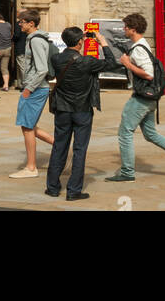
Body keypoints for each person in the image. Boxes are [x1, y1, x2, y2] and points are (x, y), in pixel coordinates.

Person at [106, 12, 165, 184]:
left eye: (126, 27)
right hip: (150, 97)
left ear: (133, 29)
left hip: (141, 98)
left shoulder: (138, 49)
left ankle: (127, 171)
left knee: (125, 132)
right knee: (150, 134)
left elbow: (148, 74)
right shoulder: (141, 44)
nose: (124, 29)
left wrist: (127, 64)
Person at [45, 25, 117, 201]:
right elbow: (112, 63)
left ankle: (53, 187)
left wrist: (76, 38)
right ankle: (74, 190)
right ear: (79, 42)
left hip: (62, 108)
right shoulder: (87, 62)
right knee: (79, 149)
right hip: (82, 109)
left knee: (59, 146)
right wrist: (103, 43)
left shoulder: (56, 59)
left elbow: (54, 70)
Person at [9, 9, 55, 179]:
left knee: (27, 127)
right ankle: (61, 148)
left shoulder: (35, 40)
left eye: (21, 22)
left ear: (31, 23)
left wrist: (29, 88)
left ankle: (31, 167)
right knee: (27, 125)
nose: (19, 24)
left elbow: (41, 69)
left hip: (36, 88)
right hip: (36, 87)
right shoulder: (36, 39)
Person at [13, 17, 28, 89]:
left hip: (20, 48)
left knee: (22, 67)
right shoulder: (28, 24)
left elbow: (17, 35)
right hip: (26, 48)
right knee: (20, 67)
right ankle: (20, 84)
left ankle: (25, 84)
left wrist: (12, 38)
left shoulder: (19, 24)